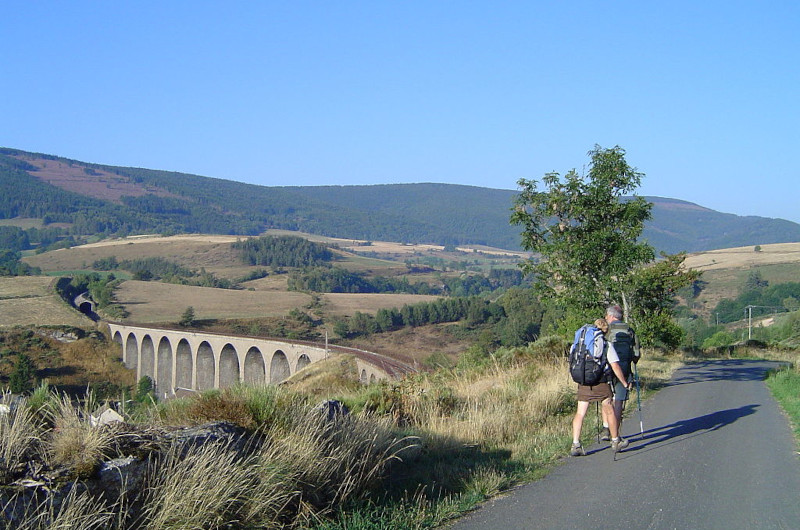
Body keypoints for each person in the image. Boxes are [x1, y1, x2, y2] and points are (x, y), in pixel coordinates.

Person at [570, 318, 631, 456]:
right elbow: (615, 365)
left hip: (583, 382)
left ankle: (575, 444)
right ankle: (616, 441)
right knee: (609, 410)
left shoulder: (577, 344)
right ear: (605, 330)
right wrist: (624, 382)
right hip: (601, 383)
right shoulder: (606, 344)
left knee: (580, 413)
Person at [599, 304, 641, 442]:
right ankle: (615, 433)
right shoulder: (629, 330)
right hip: (624, 370)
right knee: (619, 402)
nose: (606, 318)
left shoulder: (606, 330)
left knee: (607, 399)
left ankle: (606, 428)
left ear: (611, 316)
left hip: (606, 370)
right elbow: (636, 354)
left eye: (606, 315)